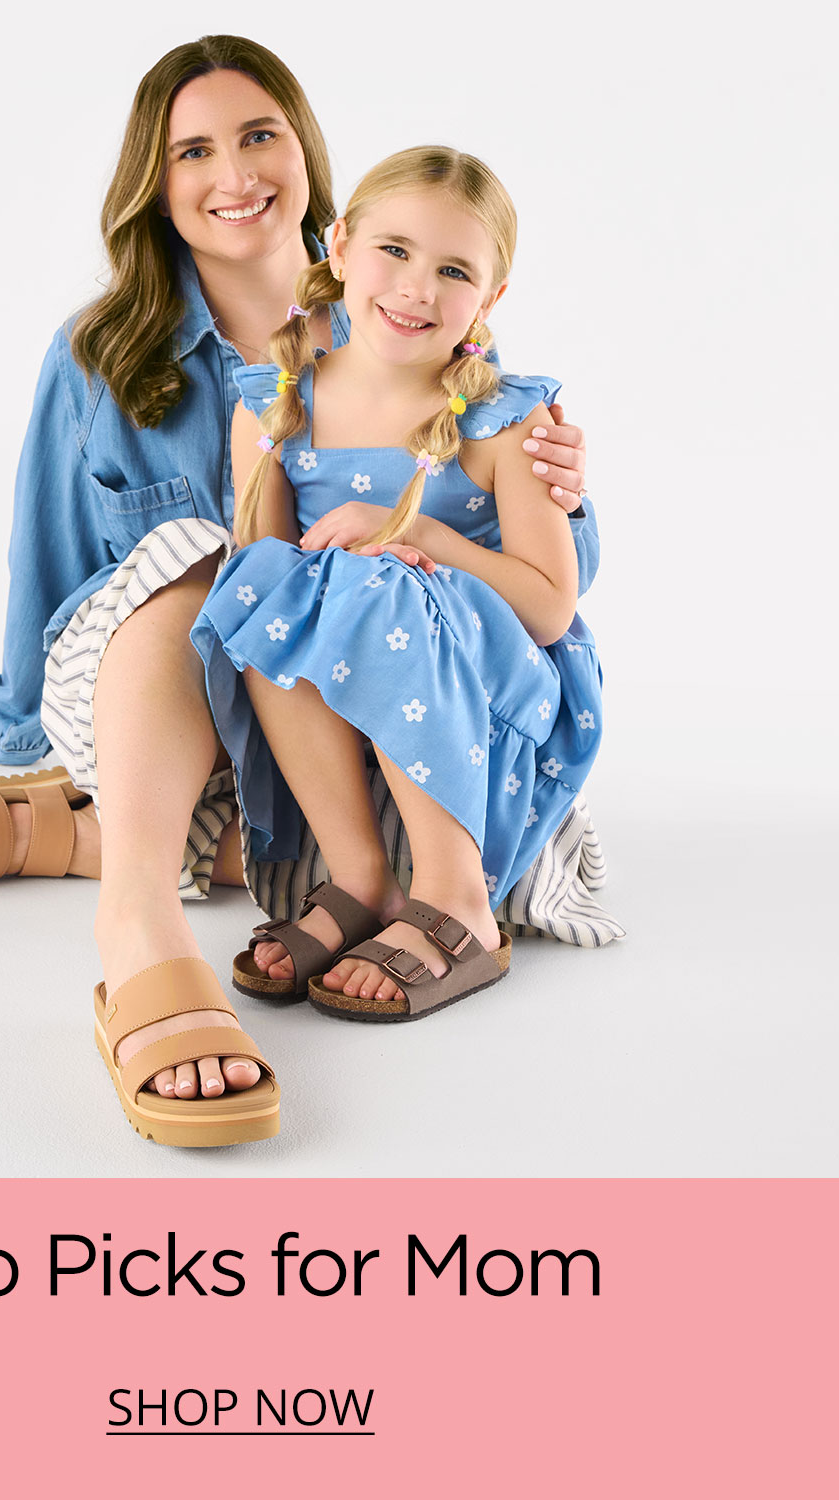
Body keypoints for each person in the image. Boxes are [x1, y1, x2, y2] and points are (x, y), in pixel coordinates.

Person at [0, 38, 594, 1144]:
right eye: (194, 152)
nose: (235, 174)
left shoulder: (421, 317)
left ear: (312, 163)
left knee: (479, 843)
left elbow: (517, 568)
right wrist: (15, 718)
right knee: (214, 556)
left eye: (260, 136)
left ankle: (88, 837)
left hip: (332, 713)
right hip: (162, 675)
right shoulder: (103, 354)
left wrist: (561, 486)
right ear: (156, 183)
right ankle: (136, 920)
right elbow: (46, 547)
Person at [193, 145, 602, 1021]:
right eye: (395, 251)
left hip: (495, 675)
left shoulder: (505, 419)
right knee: (263, 585)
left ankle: (458, 900)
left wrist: (417, 534)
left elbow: (548, 607)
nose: (417, 288)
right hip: (357, 660)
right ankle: (361, 878)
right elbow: (265, 583)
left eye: (454, 270)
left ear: (488, 301)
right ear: (338, 249)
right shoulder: (276, 403)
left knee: (381, 588)